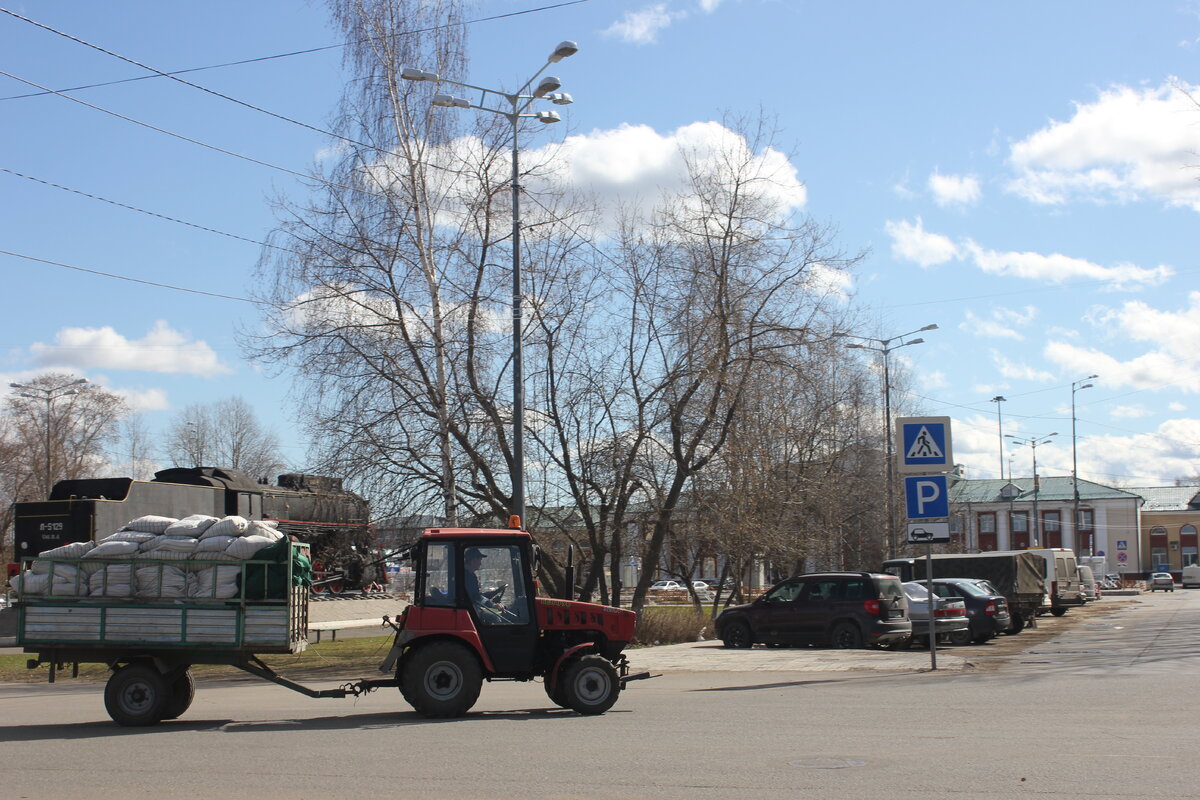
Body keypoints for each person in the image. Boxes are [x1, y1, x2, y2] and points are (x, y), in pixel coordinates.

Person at [464, 548, 503, 614]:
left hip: (473, 609)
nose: (480, 564)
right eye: (479, 560)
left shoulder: (470, 574)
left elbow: (476, 595)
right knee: (494, 617)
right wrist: (492, 605)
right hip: (470, 611)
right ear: (473, 561)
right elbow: (475, 597)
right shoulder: (467, 576)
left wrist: (491, 593)